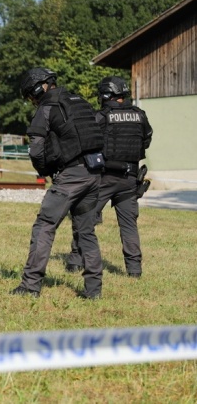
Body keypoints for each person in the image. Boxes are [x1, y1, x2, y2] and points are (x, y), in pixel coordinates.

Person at [11, 67, 104, 299]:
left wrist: (45, 170)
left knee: (44, 226)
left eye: (31, 95)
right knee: (86, 232)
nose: (32, 100)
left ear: (39, 87)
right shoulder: (80, 101)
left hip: (71, 176)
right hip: (94, 172)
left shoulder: (47, 107)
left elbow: (36, 149)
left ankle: (30, 286)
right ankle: (94, 290)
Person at [65, 77, 153, 277]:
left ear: (105, 95)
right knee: (129, 225)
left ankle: (75, 262)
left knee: (84, 217)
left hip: (103, 178)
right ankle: (134, 270)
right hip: (130, 178)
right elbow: (146, 140)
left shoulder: (101, 117)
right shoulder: (140, 115)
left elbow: (85, 143)